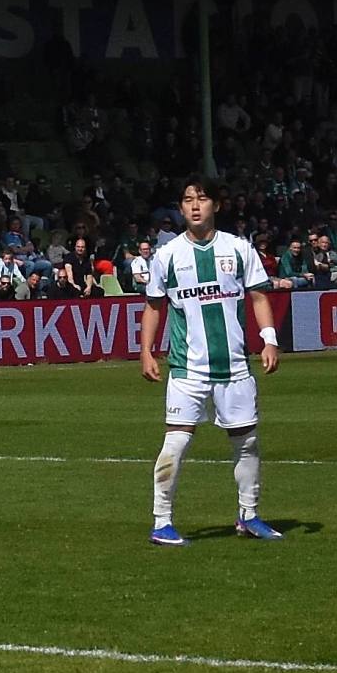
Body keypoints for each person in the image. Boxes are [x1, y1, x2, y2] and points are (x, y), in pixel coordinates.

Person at [138, 177, 284, 545]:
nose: (195, 205)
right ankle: (161, 522)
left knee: (246, 442)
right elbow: (154, 306)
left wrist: (269, 339)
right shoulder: (167, 256)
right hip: (187, 368)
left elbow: (259, 297)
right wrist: (146, 350)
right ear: (181, 207)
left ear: (216, 205)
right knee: (176, 443)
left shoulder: (238, 249)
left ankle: (248, 516)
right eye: (188, 200)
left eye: (202, 199)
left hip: (234, 366)